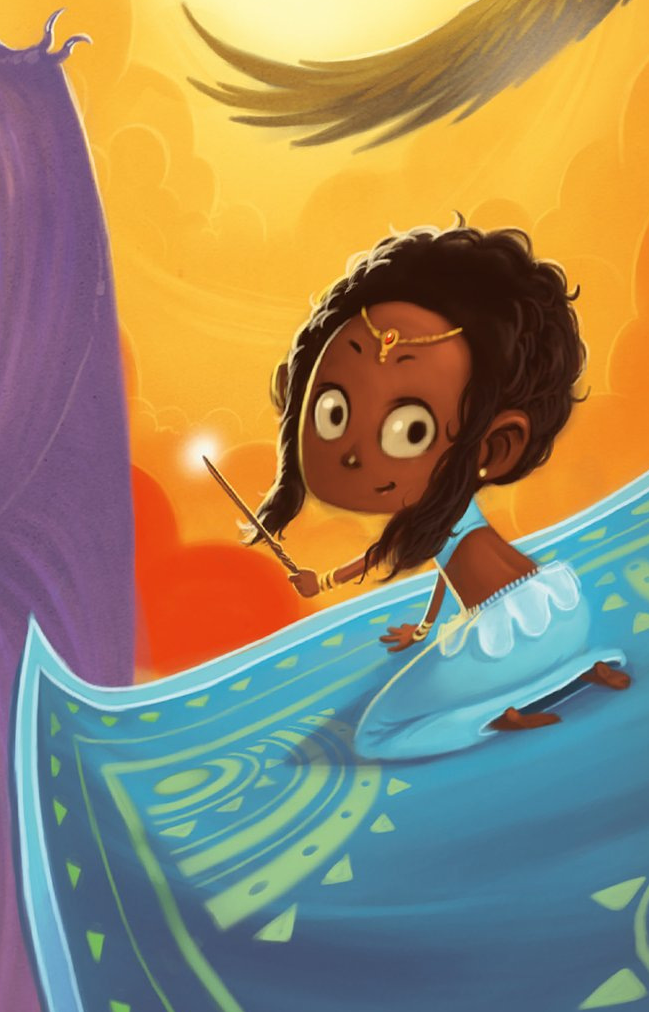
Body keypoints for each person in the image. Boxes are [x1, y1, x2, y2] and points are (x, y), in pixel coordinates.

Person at [238, 225, 628, 756]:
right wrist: (423, 630)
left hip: (507, 638)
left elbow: (376, 560)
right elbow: (450, 575)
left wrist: (320, 581)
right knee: (485, 661)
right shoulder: (445, 510)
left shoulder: (427, 517)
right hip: (561, 610)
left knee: (377, 734)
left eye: (409, 429)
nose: (351, 453)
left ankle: (499, 711)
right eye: (333, 410)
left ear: (495, 448)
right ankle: (591, 665)